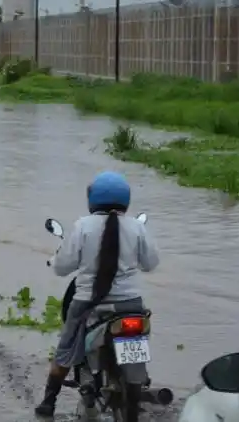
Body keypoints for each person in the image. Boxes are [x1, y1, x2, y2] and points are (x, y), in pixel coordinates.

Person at [34, 171, 159, 418]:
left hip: (88, 303)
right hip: (131, 305)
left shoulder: (83, 227)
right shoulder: (136, 227)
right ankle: (135, 390)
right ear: (125, 200)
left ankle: (48, 403)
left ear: (93, 200)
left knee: (66, 348)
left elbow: (62, 266)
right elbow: (151, 263)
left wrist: (55, 259)